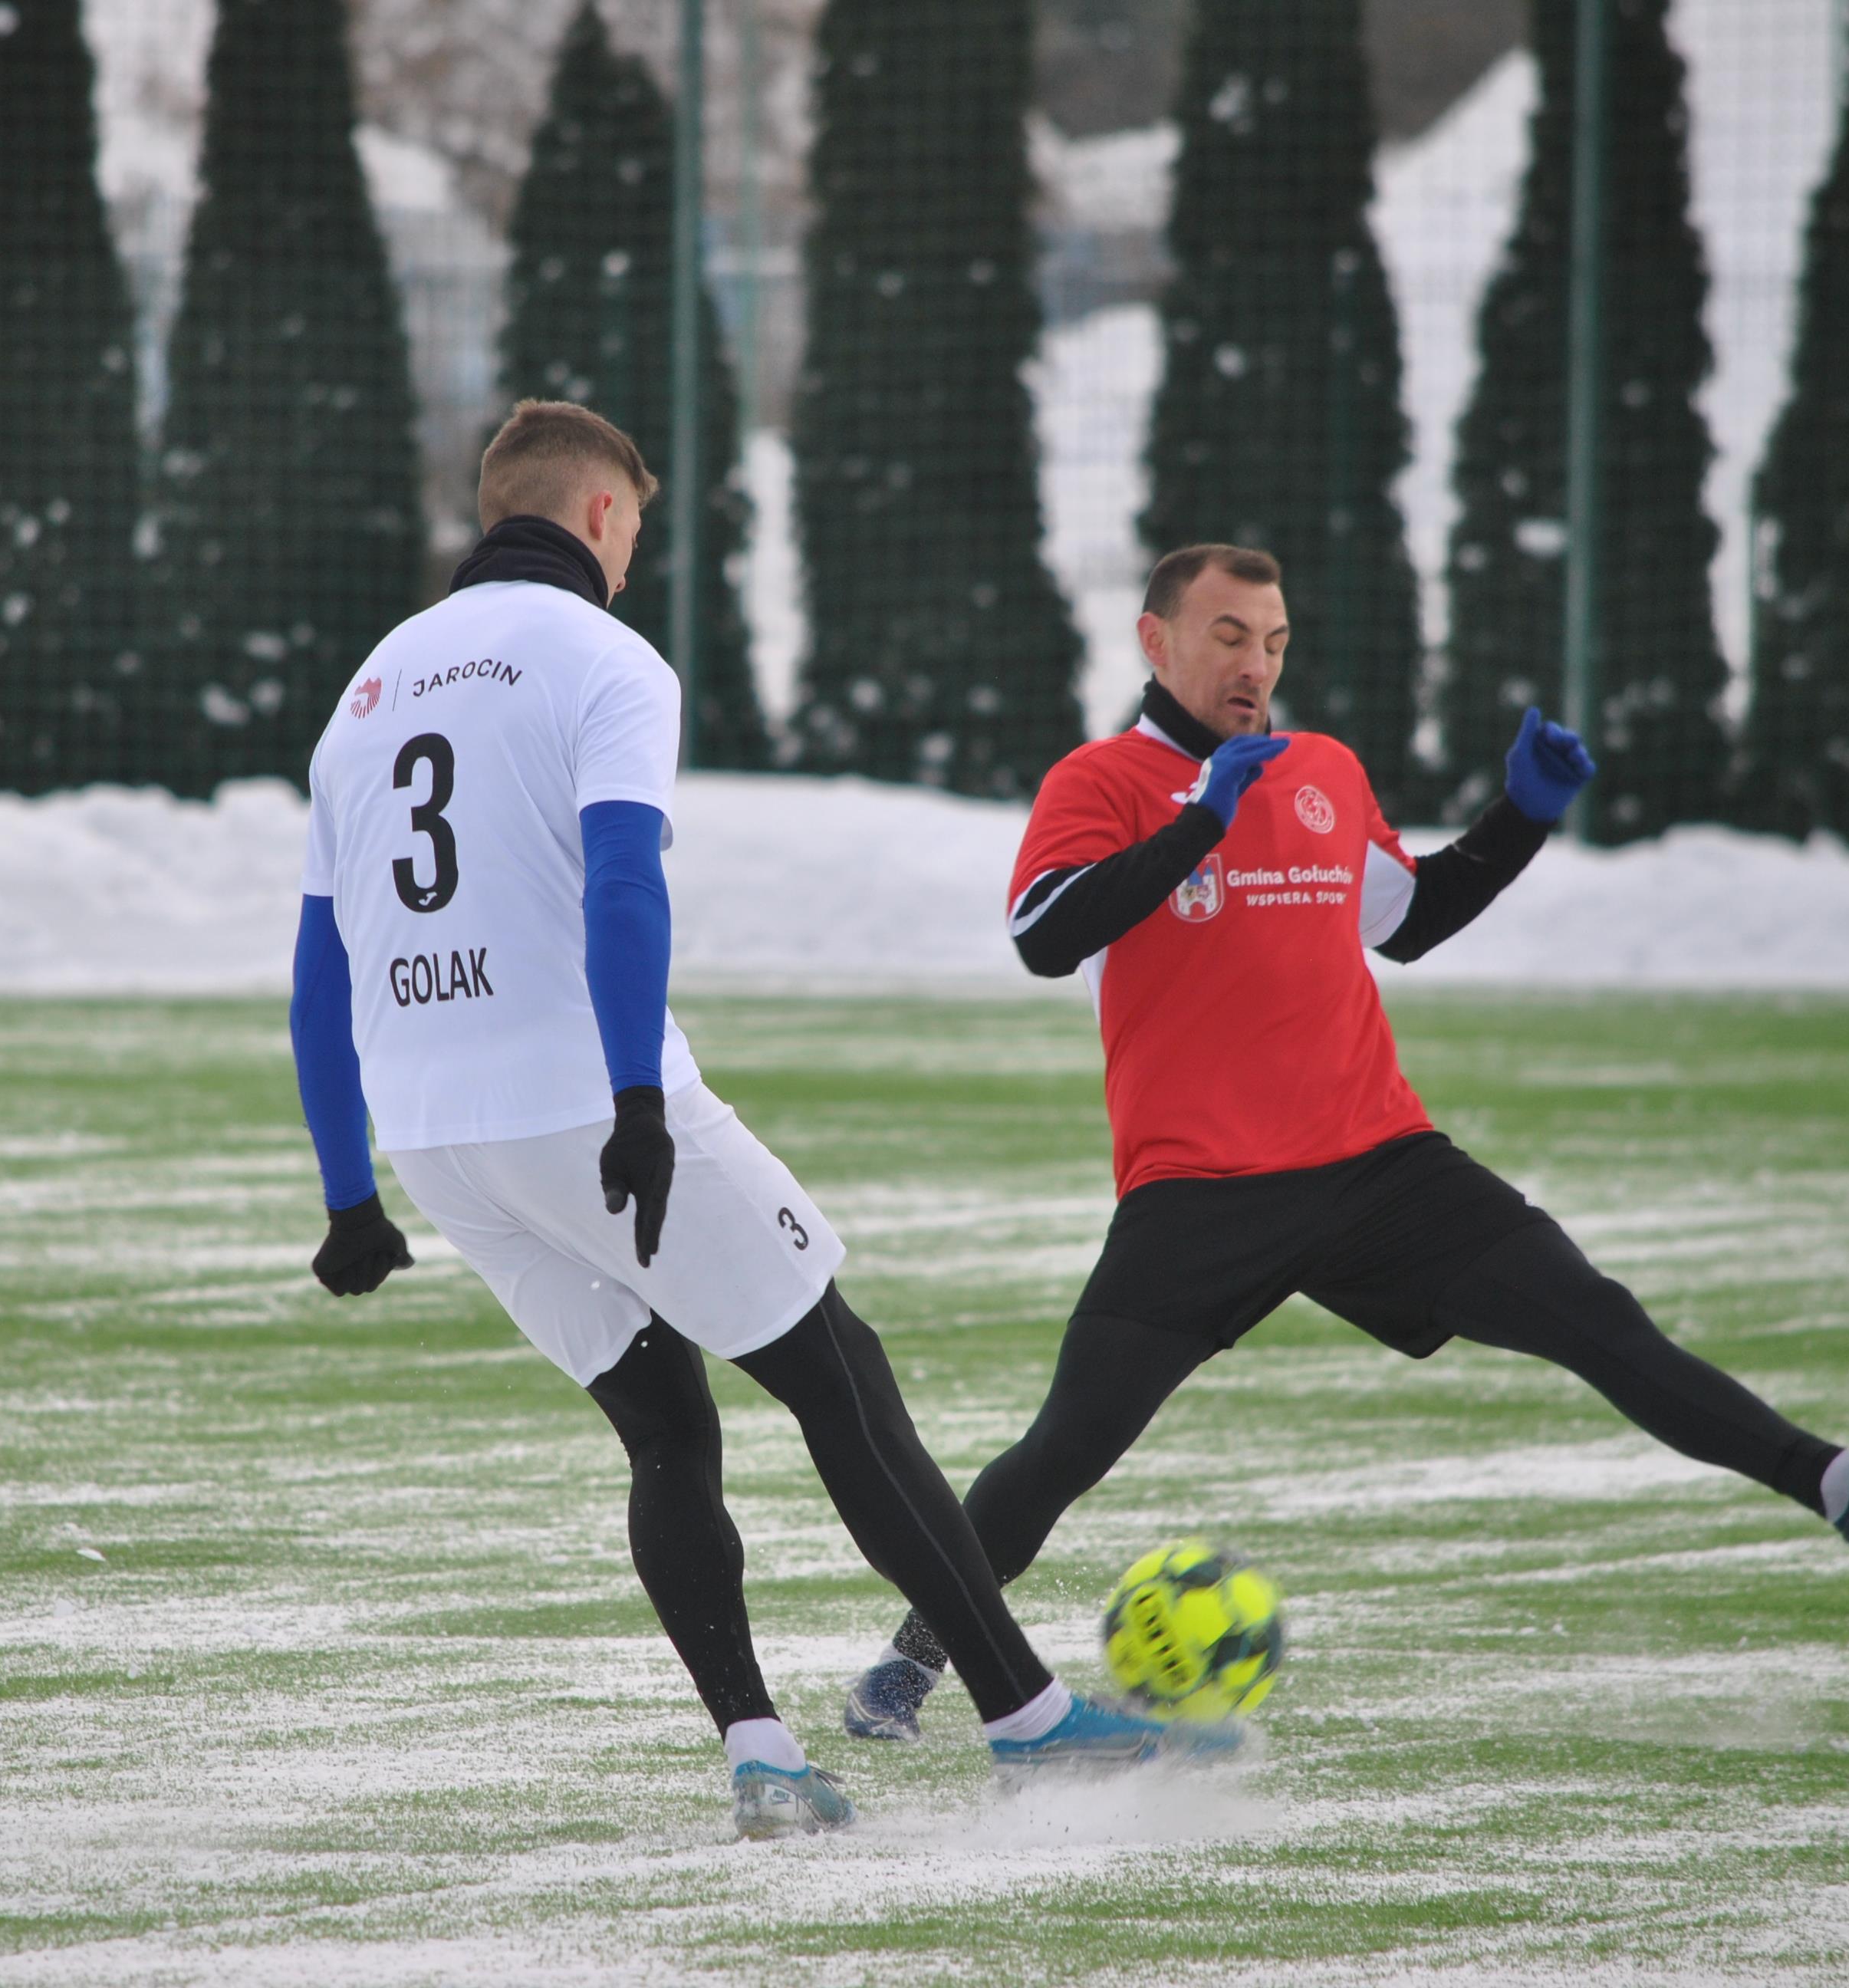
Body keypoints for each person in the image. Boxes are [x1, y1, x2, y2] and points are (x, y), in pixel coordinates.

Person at [840, 544, 1849, 1744]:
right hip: (1202, 1189)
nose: (1255, 664)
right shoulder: (1103, 780)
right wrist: (1199, 821)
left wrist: (1522, 818)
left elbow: (1413, 919)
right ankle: (909, 1669)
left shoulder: (1321, 769)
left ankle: (1840, 1484)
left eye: (1274, 641)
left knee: (1600, 1318)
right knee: (1064, 1450)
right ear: (1155, 640)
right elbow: (1044, 937)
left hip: (1378, 1162)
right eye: (1229, 635)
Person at [291, 400, 1207, 1842]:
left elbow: (317, 966)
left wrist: (350, 1191)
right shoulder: (605, 656)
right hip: (585, 1101)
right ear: (599, 516)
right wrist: (639, 1101)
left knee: (663, 1423)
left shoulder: (368, 687)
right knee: (839, 1370)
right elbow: (619, 883)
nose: (634, 557)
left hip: (436, 1134)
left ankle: (762, 1758)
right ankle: (1026, 1717)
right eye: (636, 529)